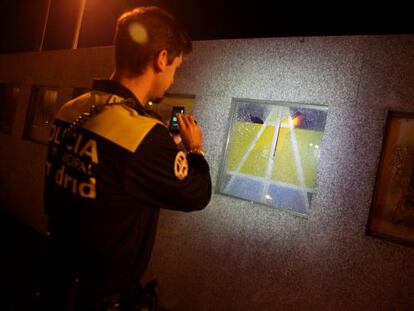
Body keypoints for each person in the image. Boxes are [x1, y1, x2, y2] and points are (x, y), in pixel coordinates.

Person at [41, 6, 211, 311]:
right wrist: (194, 149)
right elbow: (197, 193)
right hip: (101, 298)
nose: (172, 79)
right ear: (161, 59)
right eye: (176, 67)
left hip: (56, 279)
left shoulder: (71, 109)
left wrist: (157, 151)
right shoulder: (143, 135)